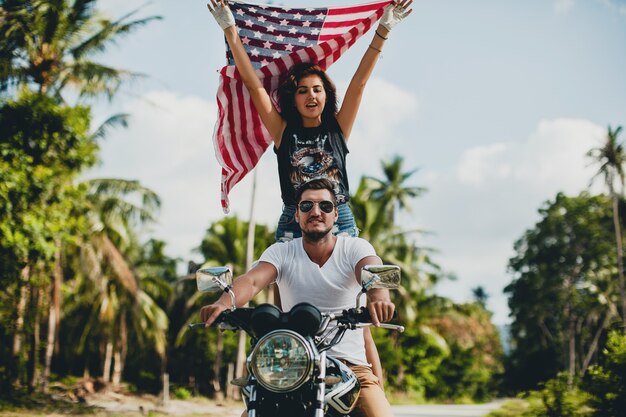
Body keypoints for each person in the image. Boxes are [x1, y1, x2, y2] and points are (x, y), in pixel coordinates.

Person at [201, 178, 397, 417]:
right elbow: (252, 281)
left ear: (336, 215)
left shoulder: (354, 248)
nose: (315, 212)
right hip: (291, 365)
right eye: (306, 206)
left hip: (350, 366)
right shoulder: (282, 252)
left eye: (325, 206)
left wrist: (379, 296)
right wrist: (224, 303)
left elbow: (370, 269)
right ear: (297, 215)